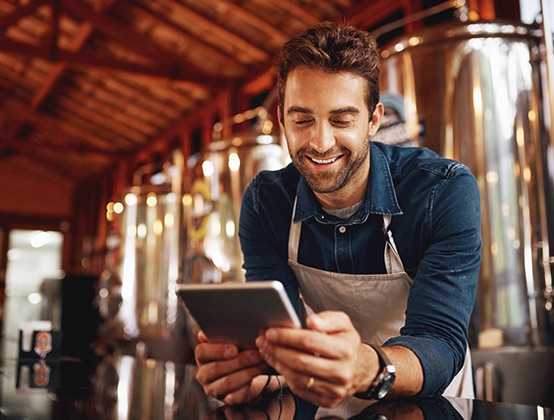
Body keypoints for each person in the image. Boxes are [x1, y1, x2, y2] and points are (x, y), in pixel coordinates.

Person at [194, 21, 481, 410]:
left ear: (374, 120)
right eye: (302, 120)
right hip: (321, 406)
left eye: (342, 120)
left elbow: (439, 340)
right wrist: (252, 371)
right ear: (282, 122)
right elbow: (281, 331)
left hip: (429, 404)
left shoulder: (441, 191)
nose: (321, 142)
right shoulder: (267, 202)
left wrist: (368, 368)